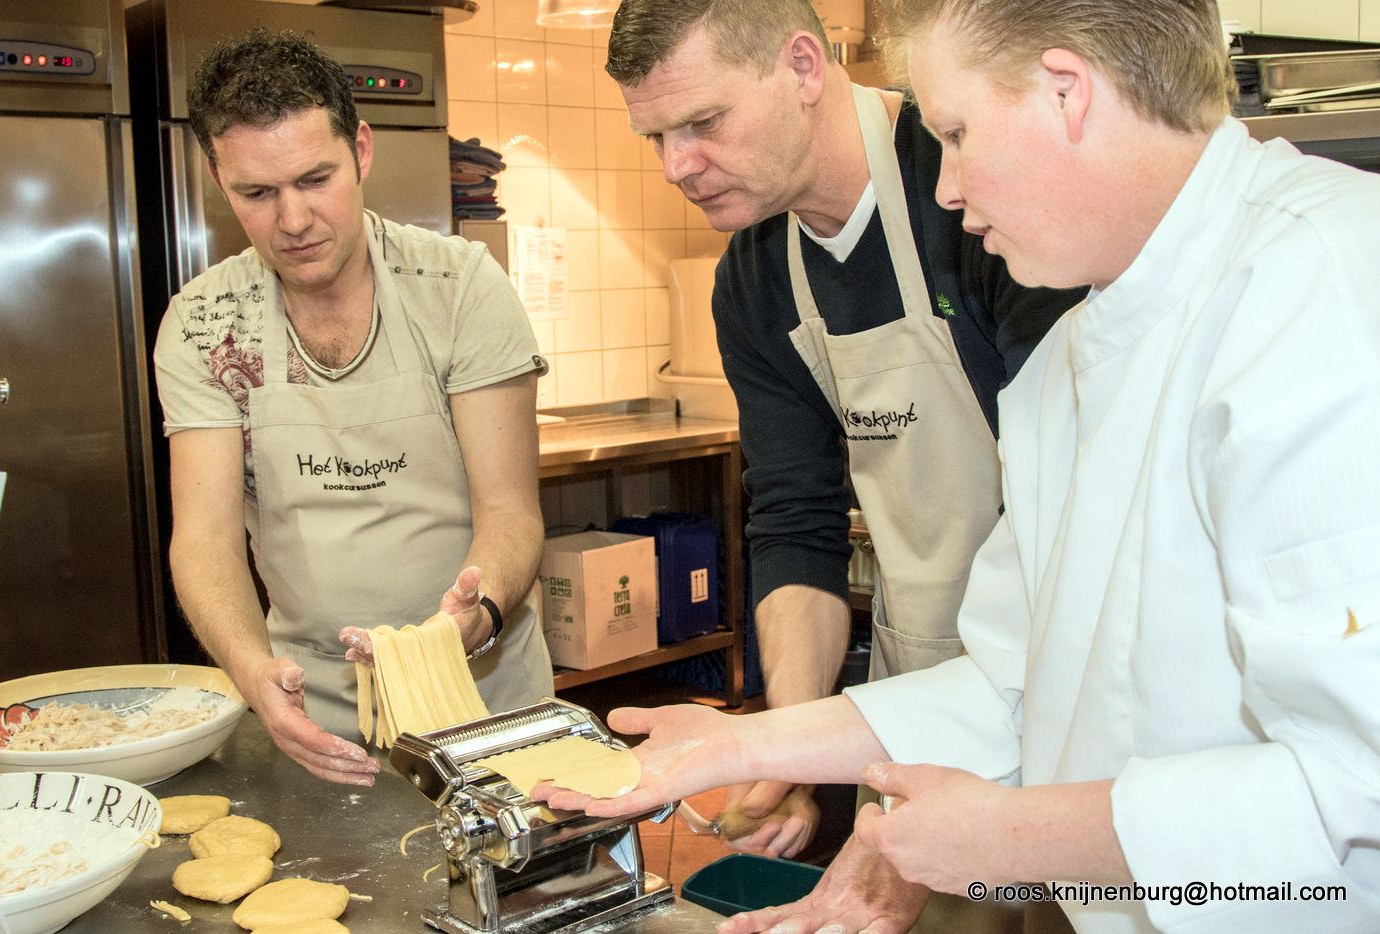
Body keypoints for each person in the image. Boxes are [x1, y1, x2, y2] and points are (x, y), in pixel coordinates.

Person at [545, 0, 1380, 931]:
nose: (941, 187)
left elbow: (1356, 796)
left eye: (954, 132)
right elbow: (1015, 681)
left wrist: (1014, 837)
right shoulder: (1087, 334)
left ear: (1067, 93)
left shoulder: (1324, 289)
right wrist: (745, 746)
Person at [605, 1, 1083, 929]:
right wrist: (786, 744)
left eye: (703, 122)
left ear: (802, 66)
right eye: (656, 135)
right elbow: (796, 519)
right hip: (913, 688)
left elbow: (1076, 517)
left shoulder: (974, 197)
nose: (676, 166)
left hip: (1066, 685)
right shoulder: (754, 277)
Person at [152, 29, 553, 787]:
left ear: (361, 151)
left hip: (485, 708)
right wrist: (250, 672)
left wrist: (475, 616)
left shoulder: (458, 286)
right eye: (257, 194)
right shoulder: (207, 324)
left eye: (315, 179)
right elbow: (203, 537)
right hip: (314, 724)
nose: (294, 221)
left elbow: (512, 514)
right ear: (217, 177)